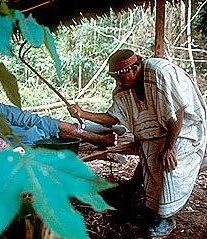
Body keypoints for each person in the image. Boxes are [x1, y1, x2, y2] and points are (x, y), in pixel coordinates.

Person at [68, 49, 207, 237]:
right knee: (151, 157)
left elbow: (177, 115)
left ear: (135, 69)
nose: (119, 83)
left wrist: (170, 147)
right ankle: (148, 203)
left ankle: (167, 218)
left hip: (185, 128)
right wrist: (83, 114)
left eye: (122, 77)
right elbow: (113, 117)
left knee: (169, 166)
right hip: (159, 130)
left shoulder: (158, 73)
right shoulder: (127, 85)